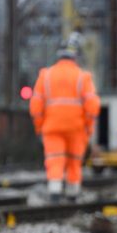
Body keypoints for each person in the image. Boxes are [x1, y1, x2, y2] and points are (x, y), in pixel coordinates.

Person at [29, 33, 100, 203]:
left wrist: (39, 126)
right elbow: (92, 106)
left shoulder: (45, 76)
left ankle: (55, 191)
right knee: (74, 160)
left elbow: (36, 106)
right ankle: (72, 193)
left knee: (55, 159)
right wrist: (88, 128)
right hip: (77, 127)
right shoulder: (83, 77)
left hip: (51, 127)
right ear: (75, 56)